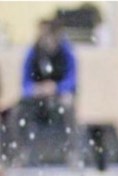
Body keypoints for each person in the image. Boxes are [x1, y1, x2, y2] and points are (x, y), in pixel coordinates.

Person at [11, 18, 78, 165]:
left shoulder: (66, 52)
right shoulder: (33, 52)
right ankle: (21, 153)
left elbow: (72, 80)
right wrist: (37, 89)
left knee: (68, 106)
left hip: (58, 97)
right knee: (17, 112)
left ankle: (71, 153)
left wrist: (56, 87)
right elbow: (24, 84)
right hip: (37, 99)